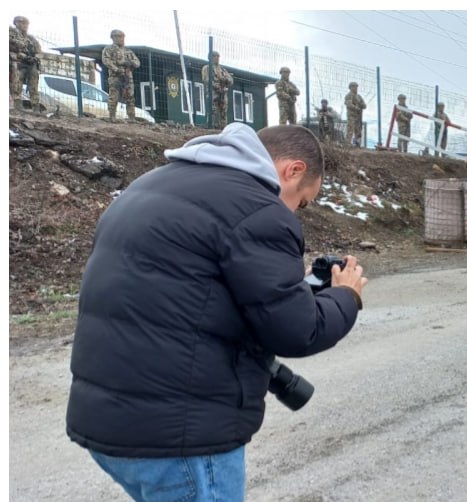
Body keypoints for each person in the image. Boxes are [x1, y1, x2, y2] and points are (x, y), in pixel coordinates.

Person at [65, 124, 368, 500]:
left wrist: (288, 288)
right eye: (302, 202)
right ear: (293, 170)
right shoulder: (257, 209)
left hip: (111, 422)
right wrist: (346, 295)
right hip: (182, 437)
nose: (295, 211)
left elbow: (184, 294)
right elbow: (298, 330)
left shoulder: (149, 185)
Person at [101, 29, 140, 121]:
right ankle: (112, 116)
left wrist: (129, 63)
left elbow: (137, 62)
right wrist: (117, 69)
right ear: (113, 38)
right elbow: (106, 61)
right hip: (115, 77)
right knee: (114, 96)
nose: (121, 39)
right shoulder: (108, 49)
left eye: (122, 37)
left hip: (127, 77)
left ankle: (131, 117)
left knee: (130, 96)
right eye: (119, 37)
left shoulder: (128, 51)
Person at [9, 15, 42, 112]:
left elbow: (39, 49)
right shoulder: (11, 33)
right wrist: (21, 54)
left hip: (31, 63)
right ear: (16, 23)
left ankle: (36, 107)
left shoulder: (30, 38)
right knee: (17, 84)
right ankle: (17, 106)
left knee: (33, 85)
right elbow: (11, 44)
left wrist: (35, 58)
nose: (25, 25)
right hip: (18, 62)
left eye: (26, 24)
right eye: (22, 23)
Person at [201, 51, 234, 128]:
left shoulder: (223, 70)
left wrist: (225, 80)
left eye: (218, 56)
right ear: (210, 57)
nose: (216, 58)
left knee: (224, 112)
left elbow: (230, 80)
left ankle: (223, 128)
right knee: (213, 111)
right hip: (213, 93)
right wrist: (216, 86)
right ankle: (211, 126)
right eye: (214, 56)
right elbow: (206, 79)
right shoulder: (206, 68)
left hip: (223, 93)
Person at [344, 82, 367, 147]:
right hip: (351, 115)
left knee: (358, 130)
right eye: (353, 86)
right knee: (350, 128)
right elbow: (349, 104)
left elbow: (364, 105)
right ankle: (347, 143)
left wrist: (361, 105)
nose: (355, 88)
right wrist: (356, 107)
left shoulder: (359, 96)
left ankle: (357, 143)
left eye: (356, 87)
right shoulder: (349, 95)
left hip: (358, 116)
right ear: (350, 88)